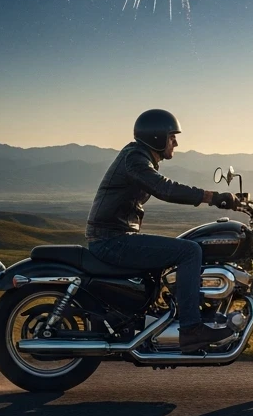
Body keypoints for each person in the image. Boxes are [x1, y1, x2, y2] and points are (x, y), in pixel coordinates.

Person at [86, 109, 237, 351]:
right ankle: (191, 329)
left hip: (114, 237)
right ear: (156, 137)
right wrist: (212, 197)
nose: (175, 142)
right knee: (189, 251)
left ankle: (170, 315)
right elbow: (164, 188)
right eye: (171, 137)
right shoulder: (135, 159)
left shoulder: (137, 156)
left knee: (182, 248)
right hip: (111, 240)